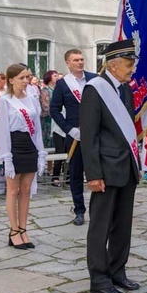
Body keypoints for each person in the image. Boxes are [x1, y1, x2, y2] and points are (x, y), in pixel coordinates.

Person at [81, 39, 140, 293]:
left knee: (122, 225)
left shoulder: (124, 90)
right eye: (128, 65)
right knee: (101, 227)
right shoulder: (95, 89)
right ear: (113, 65)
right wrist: (93, 174)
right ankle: (99, 278)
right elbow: (89, 135)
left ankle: (118, 270)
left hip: (126, 167)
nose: (131, 70)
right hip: (105, 169)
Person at [0, 63, 47, 249]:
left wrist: (41, 153)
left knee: (26, 191)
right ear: (11, 80)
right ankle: (13, 230)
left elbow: (38, 130)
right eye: (22, 78)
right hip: (14, 145)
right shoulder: (5, 100)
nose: (26, 81)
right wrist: (6, 157)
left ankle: (24, 229)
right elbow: (3, 131)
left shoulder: (32, 99)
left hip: (30, 146)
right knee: (12, 190)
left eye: (27, 77)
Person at [50, 49, 98, 225]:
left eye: (81, 59)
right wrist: (69, 129)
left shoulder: (95, 79)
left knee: (98, 171)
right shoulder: (63, 84)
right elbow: (54, 110)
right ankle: (79, 210)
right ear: (68, 63)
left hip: (96, 133)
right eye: (76, 60)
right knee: (76, 173)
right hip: (75, 135)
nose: (80, 62)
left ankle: (99, 210)